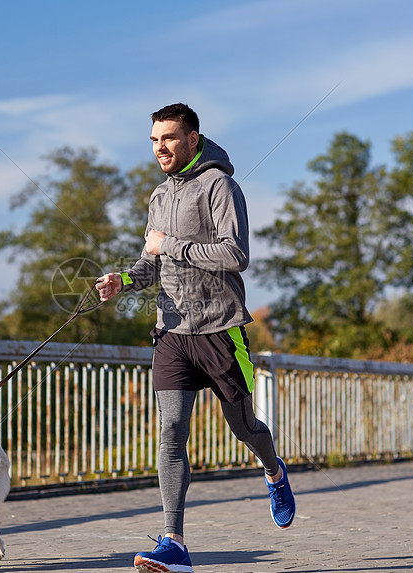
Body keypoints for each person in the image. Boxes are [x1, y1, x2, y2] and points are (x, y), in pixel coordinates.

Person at [96, 103, 295, 573]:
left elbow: (235, 254)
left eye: (167, 138)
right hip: (171, 332)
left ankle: (274, 471)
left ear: (191, 139)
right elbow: (153, 263)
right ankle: (174, 542)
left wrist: (172, 246)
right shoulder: (158, 196)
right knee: (170, 433)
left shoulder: (221, 186)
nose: (159, 148)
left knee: (245, 428)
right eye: (152, 140)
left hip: (221, 329)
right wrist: (124, 280)